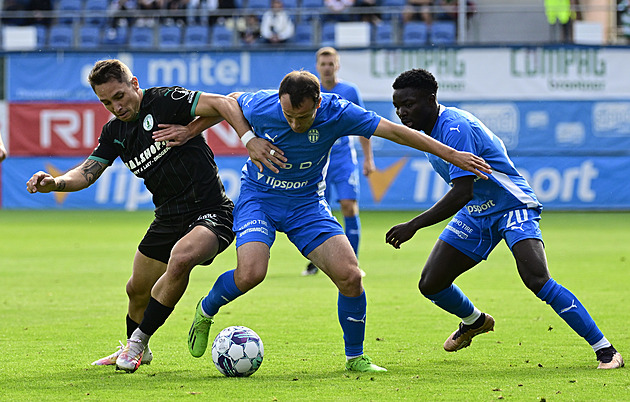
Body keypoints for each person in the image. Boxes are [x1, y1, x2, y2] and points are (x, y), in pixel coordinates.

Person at [155, 70, 490, 373]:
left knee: (351, 276)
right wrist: (231, 136)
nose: (294, 124)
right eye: (287, 115)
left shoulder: (338, 112)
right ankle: (207, 309)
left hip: (306, 205)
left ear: (318, 102)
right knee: (251, 274)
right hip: (260, 198)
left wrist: (450, 153)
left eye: (302, 117)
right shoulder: (262, 104)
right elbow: (226, 104)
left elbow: (394, 132)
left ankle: (355, 357)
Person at [25, 59, 259, 373]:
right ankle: (135, 349)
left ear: (134, 84)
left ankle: (138, 342)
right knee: (136, 289)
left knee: (181, 258)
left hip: (211, 211)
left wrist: (236, 138)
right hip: (167, 217)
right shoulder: (115, 132)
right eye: (106, 102)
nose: (115, 107)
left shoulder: (165, 101)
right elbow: (88, 171)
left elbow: (225, 102)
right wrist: (56, 183)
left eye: (119, 96)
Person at [385, 68, 624, 370]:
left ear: (431, 98)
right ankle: (475, 321)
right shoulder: (428, 131)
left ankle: (606, 350)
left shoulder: (455, 128)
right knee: (431, 283)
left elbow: (461, 192)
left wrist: (414, 225)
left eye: (409, 104)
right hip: (478, 212)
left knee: (536, 279)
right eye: (397, 106)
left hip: (511, 205)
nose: (402, 112)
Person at [302, 47, 375, 277]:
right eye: (323, 64)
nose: (327, 68)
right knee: (316, 211)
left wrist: (368, 159)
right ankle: (319, 260)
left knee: (348, 206)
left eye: (331, 63)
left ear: (338, 65)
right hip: (317, 159)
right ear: (317, 67)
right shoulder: (309, 90)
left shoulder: (350, 91)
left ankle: (351, 262)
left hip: (343, 158)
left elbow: (364, 125)